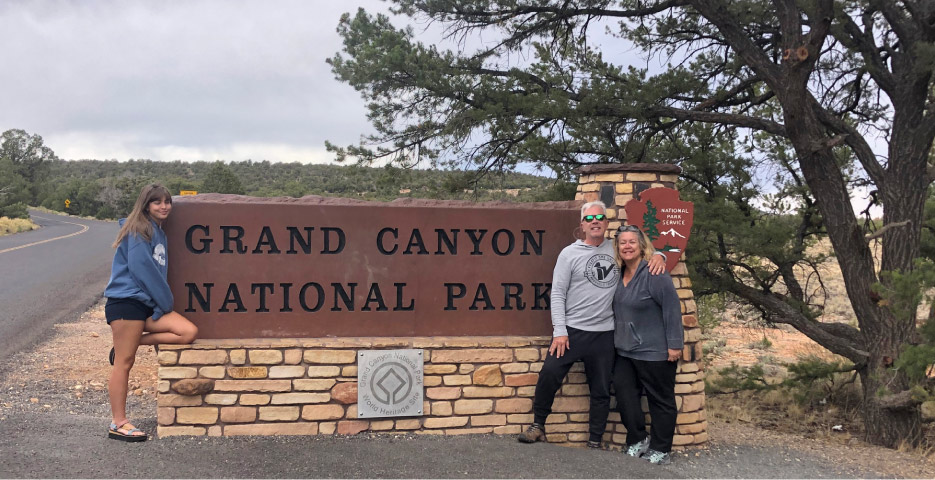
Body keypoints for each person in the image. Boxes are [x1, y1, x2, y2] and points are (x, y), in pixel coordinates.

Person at [518, 201, 665, 448]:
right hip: (571, 332)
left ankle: (595, 441)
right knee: (549, 375)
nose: (595, 221)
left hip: (605, 334)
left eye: (600, 217)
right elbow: (558, 294)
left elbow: (641, 252)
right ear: (582, 225)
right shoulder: (569, 254)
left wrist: (660, 255)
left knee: (600, 390)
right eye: (589, 218)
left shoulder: (616, 250)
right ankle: (538, 425)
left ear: (606, 224)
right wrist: (560, 331)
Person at [104, 183, 197, 442]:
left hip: (147, 306)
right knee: (125, 363)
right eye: (157, 202)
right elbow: (142, 270)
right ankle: (118, 423)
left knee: (188, 331)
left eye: (167, 201)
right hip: (127, 303)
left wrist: (160, 305)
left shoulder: (158, 232)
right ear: (146, 205)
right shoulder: (138, 230)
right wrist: (166, 302)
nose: (164, 206)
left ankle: (131, 343)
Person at [612, 224, 684, 464]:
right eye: (623, 243)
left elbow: (672, 308)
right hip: (625, 350)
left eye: (632, 242)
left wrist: (675, 345)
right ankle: (637, 439)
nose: (627, 246)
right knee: (625, 396)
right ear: (618, 247)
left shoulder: (654, 272)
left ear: (641, 245)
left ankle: (661, 449)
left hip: (655, 351)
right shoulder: (620, 273)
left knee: (660, 400)